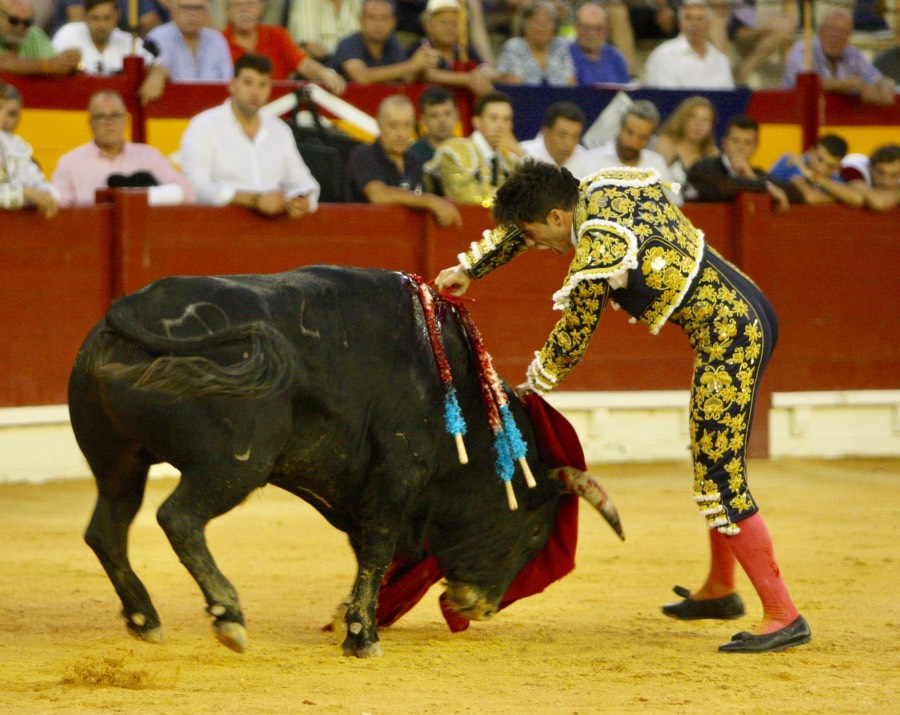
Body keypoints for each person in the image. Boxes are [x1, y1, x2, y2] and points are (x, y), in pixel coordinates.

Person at [432, 159, 813, 654]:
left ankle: (784, 614)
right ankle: (721, 590)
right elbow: (529, 228)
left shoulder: (600, 246)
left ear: (555, 216)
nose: (540, 246)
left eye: (535, 234)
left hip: (731, 337)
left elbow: (575, 331)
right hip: (750, 310)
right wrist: (470, 268)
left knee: (719, 476)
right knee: (712, 462)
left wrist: (530, 387)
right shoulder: (605, 184)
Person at [179, 53, 320, 217]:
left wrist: (302, 202)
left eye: (262, 85)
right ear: (233, 85)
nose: (255, 92)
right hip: (218, 227)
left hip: (275, 230)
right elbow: (196, 187)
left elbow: (305, 183)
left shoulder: (279, 130)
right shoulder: (204, 126)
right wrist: (254, 200)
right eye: (248, 83)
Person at [51, 89, 195, 206]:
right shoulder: (69, 164)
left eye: (115, 116)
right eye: (101, 117)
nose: (109, 122)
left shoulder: (149, 157)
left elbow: (187, 194)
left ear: (126, 120)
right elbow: (58, 213)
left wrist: (147, 196)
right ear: (90, 123)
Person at [345, 94, 462, 227]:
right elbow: (378, 195)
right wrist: (430, 200)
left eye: (407, 125)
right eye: (394, 125)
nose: (401, 133)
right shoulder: (364, 154)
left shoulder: (414, 160)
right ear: (379, 125)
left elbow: (419, 199)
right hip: (365, 237)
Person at [222, 0, 345, 93]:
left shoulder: (277, 35)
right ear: (226, 10)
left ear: (261, 8)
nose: (244, 10)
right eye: (237, 5)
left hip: (281, 112)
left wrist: (324, 73)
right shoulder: (218, 40)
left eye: (250, 4)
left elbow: (304, 64)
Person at [426, 90, 524, 205]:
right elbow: (468, 197)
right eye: (493, 118)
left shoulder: (510, 161)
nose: (500, 125)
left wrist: (520, 153)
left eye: (506, 119)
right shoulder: (454, 151)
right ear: (477, 121)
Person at [781, 8, 894, 106]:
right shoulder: (802, 52)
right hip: (793, 121)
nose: (835, 36)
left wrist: (886, 84)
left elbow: (876, 78)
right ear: (820, 32)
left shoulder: (853, 54)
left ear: (849, 37)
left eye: (842, 31)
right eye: (831, 29)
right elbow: (809, 83)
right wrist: (854, 84)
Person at [686, 113, 795, 210]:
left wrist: (752, 177)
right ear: (725, 143)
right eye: (735, 141)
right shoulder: (703, 167)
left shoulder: (757, 173)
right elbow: (724, 187)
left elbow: (791, 193)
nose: (740, 147)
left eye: (747, 143)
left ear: (755, 148)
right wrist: (764, 186)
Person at [140, 0, 233, 105]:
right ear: (173, 11)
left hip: (212, 110)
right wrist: (157, 73)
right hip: (172, 111)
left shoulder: (217, 40)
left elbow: (228, 84)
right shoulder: (157, 38)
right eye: (186, 8)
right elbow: (149, 73)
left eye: (198, 8)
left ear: (206, 12)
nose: (193, 14)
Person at [330, 0, 440, 83]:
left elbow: (406, 77)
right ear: (360, 20)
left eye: (384, 18)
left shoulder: (392, 43)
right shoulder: (349, 43)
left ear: (393, 22)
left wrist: (422, 60)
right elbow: (362, 76)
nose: (378, 24)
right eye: (372, 18)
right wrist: (412, 65)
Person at [405, 0, 495, 96]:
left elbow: (487, 69)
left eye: (454, 23)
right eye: (444, 22)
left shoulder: (463, 50)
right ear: (428, 25)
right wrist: (467, 79)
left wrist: (482, 74)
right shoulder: (418, 47)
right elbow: (424, 74)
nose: (449, 28)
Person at [644, 0, 734, 89]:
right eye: (688, 18)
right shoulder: (664, 55)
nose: (694, 24)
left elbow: (728, 97)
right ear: (680, 23)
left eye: (700, 19)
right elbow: (664, 96)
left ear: (709, 24)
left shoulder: (720, 59)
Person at [1, 79, 59, 217]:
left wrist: (47, 195)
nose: (4, 119)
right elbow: (29, 192)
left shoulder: (17, 146)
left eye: (12, 114)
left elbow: (39, 183)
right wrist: (26, 193)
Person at [51, 0, 155, 75]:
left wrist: (156, 76)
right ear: (85, 16)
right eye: (95, 18)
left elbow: (156, 66)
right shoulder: (68, 34)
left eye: (107, 18)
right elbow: (50, 65)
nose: (101, 24)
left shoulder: (130, 43)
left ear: (117, 16)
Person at [709, 0, 794, 87]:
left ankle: (741, 74)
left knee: (785, 25)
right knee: (717, 18)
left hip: (742, 13)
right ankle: (722, 80)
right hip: (711, 13)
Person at [768, 133, 863, 206]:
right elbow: (811, 197)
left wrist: (810, 174)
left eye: (830, 166)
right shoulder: (792, 161)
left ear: (838, 167)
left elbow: (856, 199)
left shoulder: (833, 176)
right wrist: (838, 197)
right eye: (820, 159)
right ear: (811, 151)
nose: (821, 169)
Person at [496, 1, 574, 86]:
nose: (542, 26)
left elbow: (570, 82)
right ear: (525, 24)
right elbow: (514, 83)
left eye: (548, 20)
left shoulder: (560, 45)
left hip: (560, 98)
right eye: (536, 20)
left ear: (555, 26)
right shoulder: (514, 46)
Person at [653, 95, 719, 189]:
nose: (698, 124)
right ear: (682, 119)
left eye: (705, 120)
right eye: (693, 117)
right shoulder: (665, 145)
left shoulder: (713, 155)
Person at [0, 0, 81, 74]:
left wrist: (69, 61)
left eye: (27, 22)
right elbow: (3, 63)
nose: (20, 27)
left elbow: (56, 62)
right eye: (14, 20)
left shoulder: (34, 33)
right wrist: (47, 66)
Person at [520, 100, 594, 178]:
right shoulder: (522, 153)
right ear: (546, 132)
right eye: (562, 135)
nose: (569, 143)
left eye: (575, 136)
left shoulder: (584, 157)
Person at [568, 1, 630, 86]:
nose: (592, 33)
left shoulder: (615, 57)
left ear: (607, 30)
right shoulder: (565, 55)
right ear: (576, 27)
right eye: (586, 27)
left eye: (598, 28)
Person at [286, 0, 362, 65]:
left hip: (357, 67)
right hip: (319, 70)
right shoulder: (306, 2)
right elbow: (311, 47)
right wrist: (345, 61)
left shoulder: (357, 2)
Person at [840, 143, 900, 212]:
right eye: (880, 173)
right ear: (870, 167)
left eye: (894, 175)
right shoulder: (853, 169)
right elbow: (877, 202)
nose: (885, 181)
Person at [55, 0, 161, 37]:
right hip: (82, 44)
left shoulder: (124, 39)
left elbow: (150, 22)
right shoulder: (69, 33)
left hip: (119, 43)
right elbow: (78, 21)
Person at [409, 85, 458, 165]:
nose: (442, 121)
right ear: (423, 120)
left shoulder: (469, 150)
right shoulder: (412, 155)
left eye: (447, 114)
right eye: (434, 115)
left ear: (456, 115)